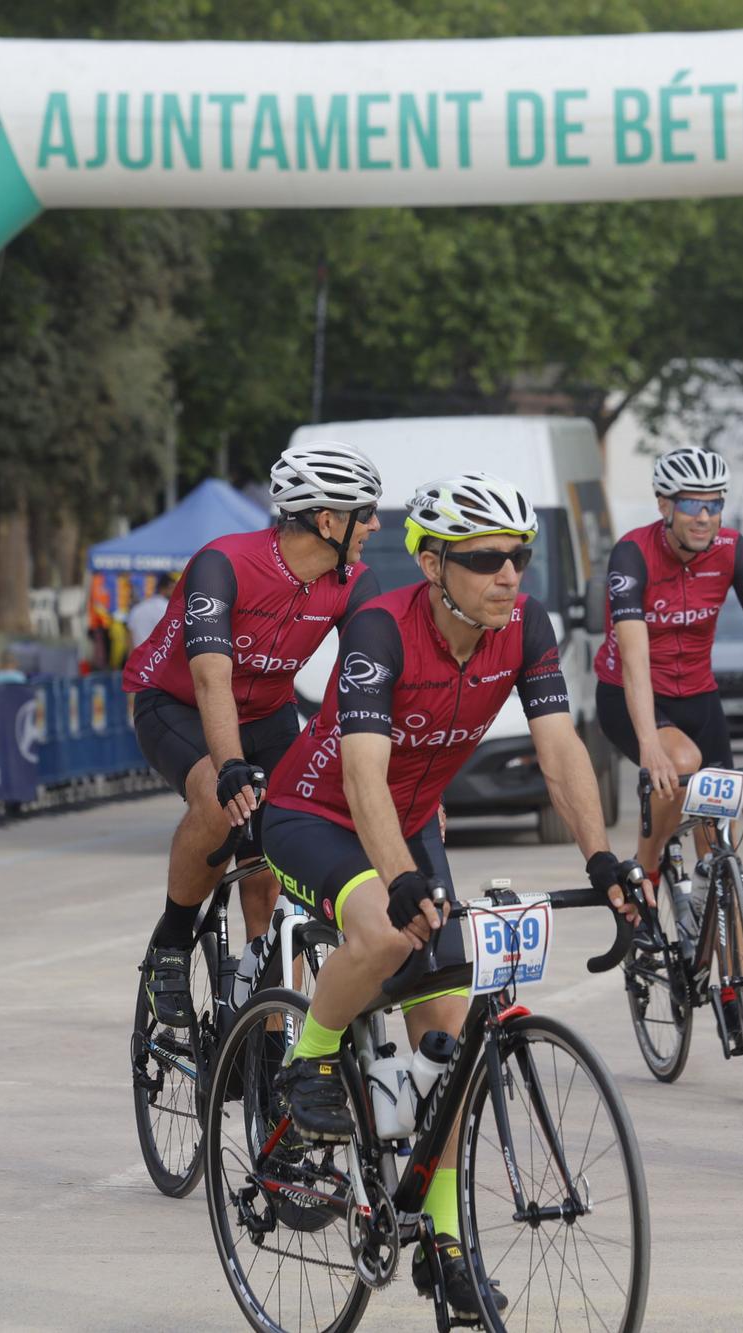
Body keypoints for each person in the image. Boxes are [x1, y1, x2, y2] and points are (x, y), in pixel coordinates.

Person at [260, 473, 645, 1319]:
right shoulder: (378, 630)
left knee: (447, 1047)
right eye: (486, 560)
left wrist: (603, 862)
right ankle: (311, 1054)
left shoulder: (525, 628)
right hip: (315, 814)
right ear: (434, 566)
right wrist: (398, 883)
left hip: (409, 820)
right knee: (389, 933)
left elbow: (560, 752)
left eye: (519, 557)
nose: (510, 575)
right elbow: (362, 772)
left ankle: (442, 1242)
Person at [124, 438, 385, 1029]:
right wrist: (230, 767)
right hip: (178, 704)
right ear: (328, 520)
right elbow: (212, 679)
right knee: (221, 802)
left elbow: (365, 689)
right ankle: (170, 944)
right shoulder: (224, 563)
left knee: (278, 864)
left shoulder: (353, 582)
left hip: (268, 715)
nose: (374, 524)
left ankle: (265, 1032)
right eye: (366, 512)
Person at [596, 445, 743, 908]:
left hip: (698, 697)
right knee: (682, 763)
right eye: (692, 504)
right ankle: (645, 871)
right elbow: (633, 657)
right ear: (665, 506)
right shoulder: (633, 554)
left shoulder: (732, 550)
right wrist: (649, 744)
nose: (704, 517)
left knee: (719, 842)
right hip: (629, 695)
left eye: (715, 504)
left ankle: (728, 976)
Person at [125, 574, 169, 653]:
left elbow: (129, 639)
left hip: (139, 659)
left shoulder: (137, 608)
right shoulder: (168, 609)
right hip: (156, 659)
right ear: (165, 588)